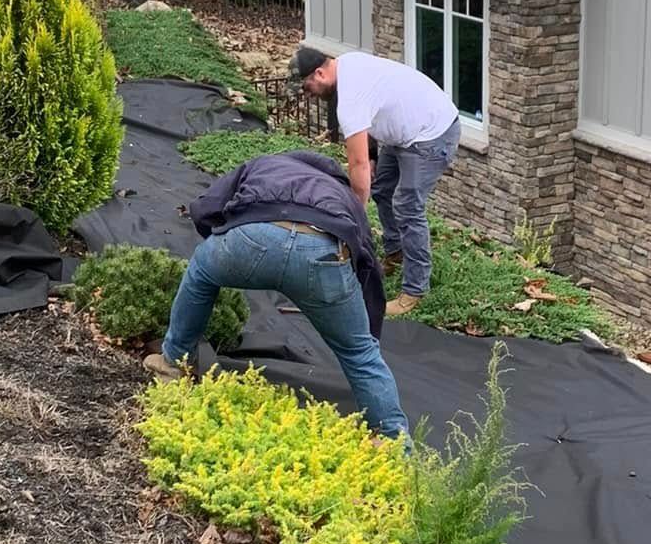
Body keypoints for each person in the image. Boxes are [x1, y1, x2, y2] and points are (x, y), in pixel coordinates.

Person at [143, 149, 409, 438]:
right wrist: (367, 325)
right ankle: (392, 441)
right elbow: (365, 258)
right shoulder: (342, 193)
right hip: (323, 254)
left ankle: (173, 366)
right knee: (359, 351)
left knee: (201, 273)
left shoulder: (264, 164)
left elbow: (208, 206)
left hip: (254, 237)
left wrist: (220, 246)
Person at [290, 44, 460, 315]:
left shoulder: (349, 99)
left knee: (407, 206)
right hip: (405, 131)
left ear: (319, 74)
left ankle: (414, 290)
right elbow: (369, 121)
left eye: (307, 88)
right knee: (382, 191)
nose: (308, 96)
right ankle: (395, 253)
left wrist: (353, 214)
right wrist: (371, 155)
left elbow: (358, 167)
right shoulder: (347, 64)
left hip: (432, 132)